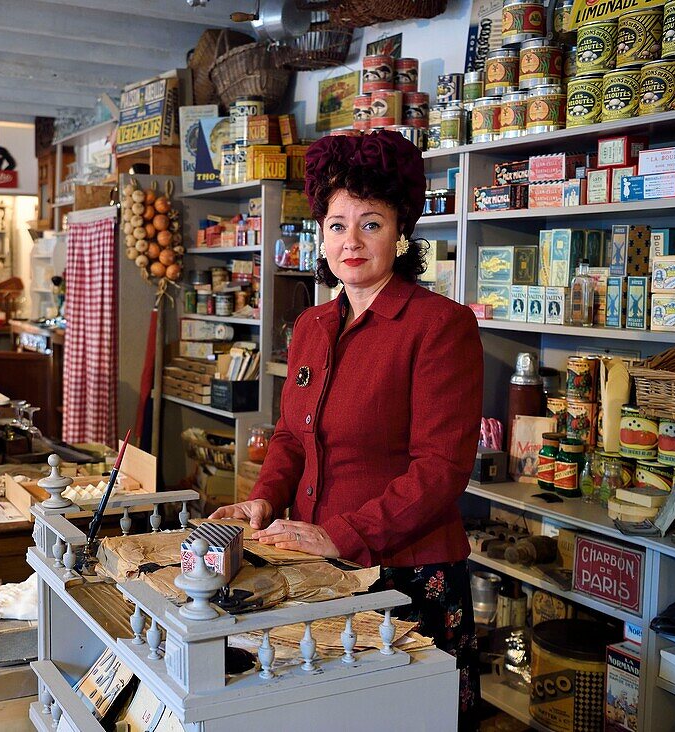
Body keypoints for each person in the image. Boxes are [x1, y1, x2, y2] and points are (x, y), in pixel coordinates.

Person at [210, 130, 484, 729]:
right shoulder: (311, 324)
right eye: (336, 225)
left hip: (408, 576)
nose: (350, 242)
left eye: (370, 223)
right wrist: (264, 498)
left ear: (401, 232)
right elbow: (289, 436)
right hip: (317, 568)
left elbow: (440, 472)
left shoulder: (440, 326)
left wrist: (341, 535)